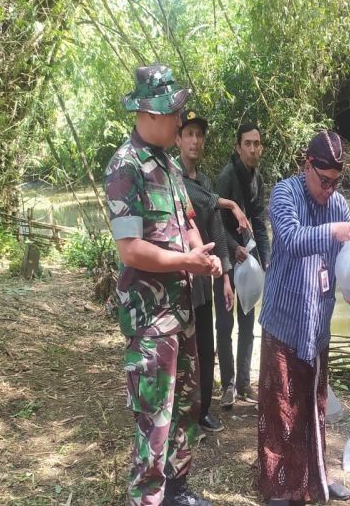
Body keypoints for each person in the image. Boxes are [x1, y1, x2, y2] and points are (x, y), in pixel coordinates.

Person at [105, 65, 221, 506]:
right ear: (149, 114)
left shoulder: (169, 165)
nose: (179, 119)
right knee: (154, 419)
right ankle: (147, 498)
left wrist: (202, 255)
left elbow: (188, 222)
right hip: (151, 321)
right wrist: (185, 261)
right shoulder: (125, 168)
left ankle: (177, 491)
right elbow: (131, 249)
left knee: (188, 407)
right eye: (173, 112)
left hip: (182, 311)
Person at [257, 130, 350, 505]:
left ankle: (318, 477)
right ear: (307, 165)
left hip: (318, 322)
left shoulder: (340, 205)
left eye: (335, 183)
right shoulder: (285, 193)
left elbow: (346, 265)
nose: (329, 190)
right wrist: (331, 231)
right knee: (282, 407)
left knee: (315, 406)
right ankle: (281, 487)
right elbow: (292, 239)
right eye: (323, 181)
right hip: (284, 320)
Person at [176, 109, 249, 433]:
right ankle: (181, 416)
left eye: (199, 135)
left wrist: (227, 279)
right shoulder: (173, 180)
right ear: (177, 139)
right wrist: (231, 203)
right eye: (189, 133)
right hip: (179, 280)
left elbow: (218, 232)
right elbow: (204, 202)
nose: (195, 140)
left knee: (207, 349)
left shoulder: (204, 181)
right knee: (181, 352)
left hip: (206, 282)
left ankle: (203, 409)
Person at [215, 123, 271, 408]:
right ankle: (227, 385)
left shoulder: (257, 179)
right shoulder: (226, 177)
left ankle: (245, 384)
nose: (252, 148)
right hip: (226, 258)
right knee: (225, 324)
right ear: (238, 147)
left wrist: (267, 260)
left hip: (247, 259)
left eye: (256, 143)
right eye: (247, 143)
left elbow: (259, 222)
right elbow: (213, 223)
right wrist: (233, 248)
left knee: (248, 321)